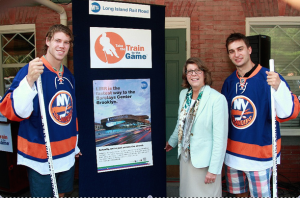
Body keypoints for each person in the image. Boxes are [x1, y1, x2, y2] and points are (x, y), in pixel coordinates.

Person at [0, 24, 82, 197]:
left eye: (66, 42)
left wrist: (74, 145)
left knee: (61, 194)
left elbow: (70, 114)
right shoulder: (32, 70)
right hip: (41, 153)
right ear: (48, 41)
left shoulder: (68, 76)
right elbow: (13, 111)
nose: (62, 45)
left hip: (66, 152)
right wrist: (29, 80)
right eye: (58, 40)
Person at [221, 33, 300, 197]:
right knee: (239, 194)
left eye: (240, 49)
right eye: (232, 51)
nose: (236, 54)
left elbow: (289, 112)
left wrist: (279, 87)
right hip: (233, 154)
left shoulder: (270, 77)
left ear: (249, 50)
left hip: (259, 156)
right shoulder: (229, 82)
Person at [165, 57, 228, 197]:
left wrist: (214, 169)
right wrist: (172, 141)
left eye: (197, 71)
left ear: (204, 73)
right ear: (185, 76)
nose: (193, 74)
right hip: (186, 158)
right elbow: (181, 123)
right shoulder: (184, 95)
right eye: (189, 71)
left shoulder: (217, 99)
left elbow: (220, 138)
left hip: (205, 162)